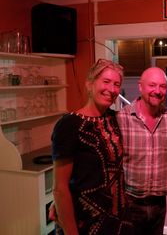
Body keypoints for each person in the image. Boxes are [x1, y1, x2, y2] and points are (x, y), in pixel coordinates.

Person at [51, 59, 132, 234]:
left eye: (116, 84)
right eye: (106, 81)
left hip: (117, 220)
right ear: (90, 84)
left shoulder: (114, 118)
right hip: (85, 222)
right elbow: (59, 188)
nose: (111, 89)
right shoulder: (69, 125)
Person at [116, 67, 167, 235]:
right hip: (130, 203)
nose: (157, 91)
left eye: (163, 86)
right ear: (140, 86)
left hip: (159, 203)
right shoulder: (122, 118)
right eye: (152, 85)